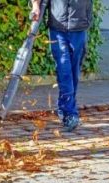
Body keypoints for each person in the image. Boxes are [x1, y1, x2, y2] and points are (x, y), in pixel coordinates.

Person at [31, 0, 93, 131]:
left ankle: (64, 109)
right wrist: (36, 6)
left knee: (73, 73)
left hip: (80, 26)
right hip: (57, 27)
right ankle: (71, 114)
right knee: (64, 68)